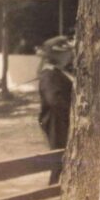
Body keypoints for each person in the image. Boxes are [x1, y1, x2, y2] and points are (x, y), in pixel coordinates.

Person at [37, 36, 74, 184]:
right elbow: (54, 101)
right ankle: (52, 194)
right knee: (59, 160)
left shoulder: (58, 72)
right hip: (56, 122)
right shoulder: (49, 74)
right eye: (66, 53)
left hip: (61, 121)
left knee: (62, 160)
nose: (69, 56)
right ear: (56, 55)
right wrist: (73, 112)